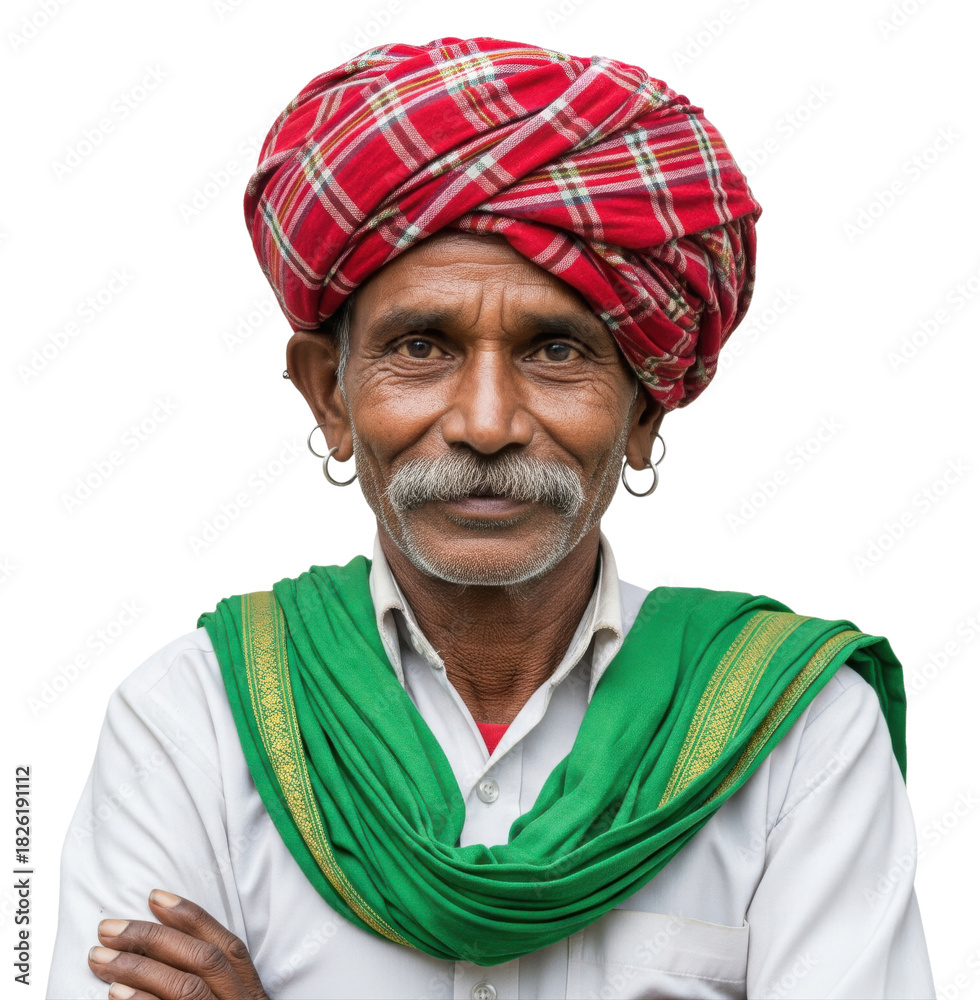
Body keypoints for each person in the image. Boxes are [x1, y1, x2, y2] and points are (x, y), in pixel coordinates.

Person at [47, 36, 934, 1000]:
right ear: (329, 399)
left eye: (555, 352)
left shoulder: (795, 735)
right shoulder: (196, 721)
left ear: (643, 412)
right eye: (420, 347)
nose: (485, 424)